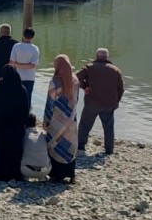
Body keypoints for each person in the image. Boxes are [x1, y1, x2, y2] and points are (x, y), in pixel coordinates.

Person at [76, 48, 124, 155]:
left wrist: (84, 87)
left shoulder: (89, 67)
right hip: (109, 104)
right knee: (108, 127)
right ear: (107, 57)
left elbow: (76, 78)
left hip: (92, 102)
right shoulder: (115, 70)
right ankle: (109, 150)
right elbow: (120, 89)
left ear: (96, 56)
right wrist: (116, 101)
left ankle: (80, 146)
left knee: (85, 124)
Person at [0, 65, 30, 180]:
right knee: (14, 151)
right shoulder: (22, 89)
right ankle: (14, 174)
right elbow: (26, 109)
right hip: (16, 127)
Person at [45, 54, 80, 183]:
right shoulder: (76, 80)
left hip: (56, 120)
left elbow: (50, 102)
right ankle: (71, 174)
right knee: (69, 145)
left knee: (54, 144)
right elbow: (76, 100)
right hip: (71, 119)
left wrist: (46, 119)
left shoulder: (55, 81)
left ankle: (56, 174)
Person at [9, 28, 39, 104]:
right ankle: (26, 114)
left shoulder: (16, 46)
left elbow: (11, 62)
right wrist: (23, 66)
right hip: (30, 77)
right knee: (28, 99)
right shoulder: (35, 49)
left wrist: (17, 65)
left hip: (17, 76)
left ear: (23, 35)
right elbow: (32, 65)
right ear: (33, 37)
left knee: (16, 98)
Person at [21, 114, 53, 180]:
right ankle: (42, 177)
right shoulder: (42, 133)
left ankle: (25, 177)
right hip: (45, 170)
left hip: (26, 170)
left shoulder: (23, 134)